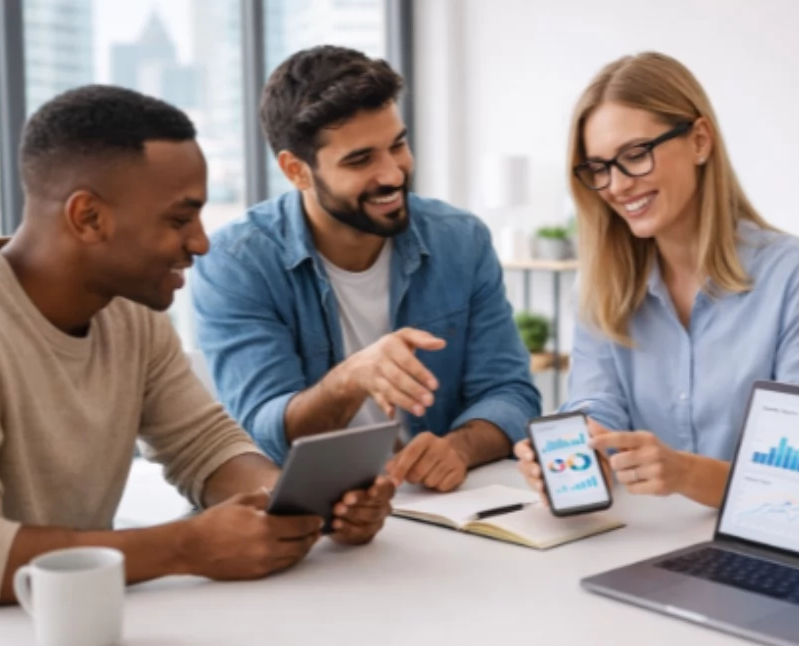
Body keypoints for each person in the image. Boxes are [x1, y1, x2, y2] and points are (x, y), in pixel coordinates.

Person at [0, 86, 394, 615]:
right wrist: (182, 547)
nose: (200, 243)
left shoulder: (130, 311)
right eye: (178, 220)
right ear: (88, 218)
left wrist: (293, 503)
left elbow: (204, 445)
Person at [191, 46, 540, 493]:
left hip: (443, 505)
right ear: (297, 171)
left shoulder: (461, 240)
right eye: (360, 160)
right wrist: (351, 379)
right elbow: (263, 433)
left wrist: (457, 448)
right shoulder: (237, 261)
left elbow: (512, 393)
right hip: (318, 510)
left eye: (397, 145)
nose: (393, 174)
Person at [515, 52, 799, 507]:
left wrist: (687, 474)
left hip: (763, 545)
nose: (616, 185)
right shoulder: (599, 286)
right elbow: (597, 403)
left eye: (635, 155)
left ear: (699, 141)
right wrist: (578, 445)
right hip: (636, 541)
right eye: (599, 167)